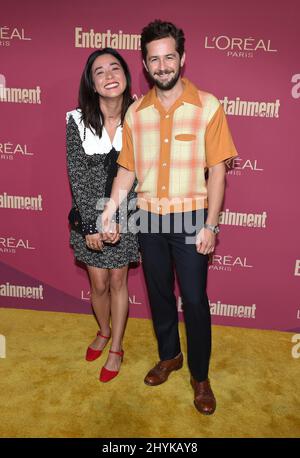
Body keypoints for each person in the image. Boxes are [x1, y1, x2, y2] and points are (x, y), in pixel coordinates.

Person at [101, 20, 238, 413]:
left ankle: (200, 375)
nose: (162, 66)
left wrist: (211, 224)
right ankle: (169, 356)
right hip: (148, 219)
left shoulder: (207, 106)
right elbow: (127, 169)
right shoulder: (135, 114)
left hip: (192, 219)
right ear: (145, 64)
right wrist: (110, 211)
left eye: (169, 57)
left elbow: (219, 171)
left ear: (182, 59)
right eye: (154, 59)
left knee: (194, 300)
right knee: (160, 295)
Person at [66, 48, 139, 383]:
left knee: (118, 280)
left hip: (129, 212)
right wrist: (92, 224)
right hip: (88, 214)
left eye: (115, 68)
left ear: (125, 75)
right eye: (100, 71)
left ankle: (117, 347)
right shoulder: (76, 120)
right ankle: (104, 330)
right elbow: (77, 175)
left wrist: (119, 220)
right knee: (98, 282)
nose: (109, 76)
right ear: (92, 83)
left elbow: (142, 176)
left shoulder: (142, 116)